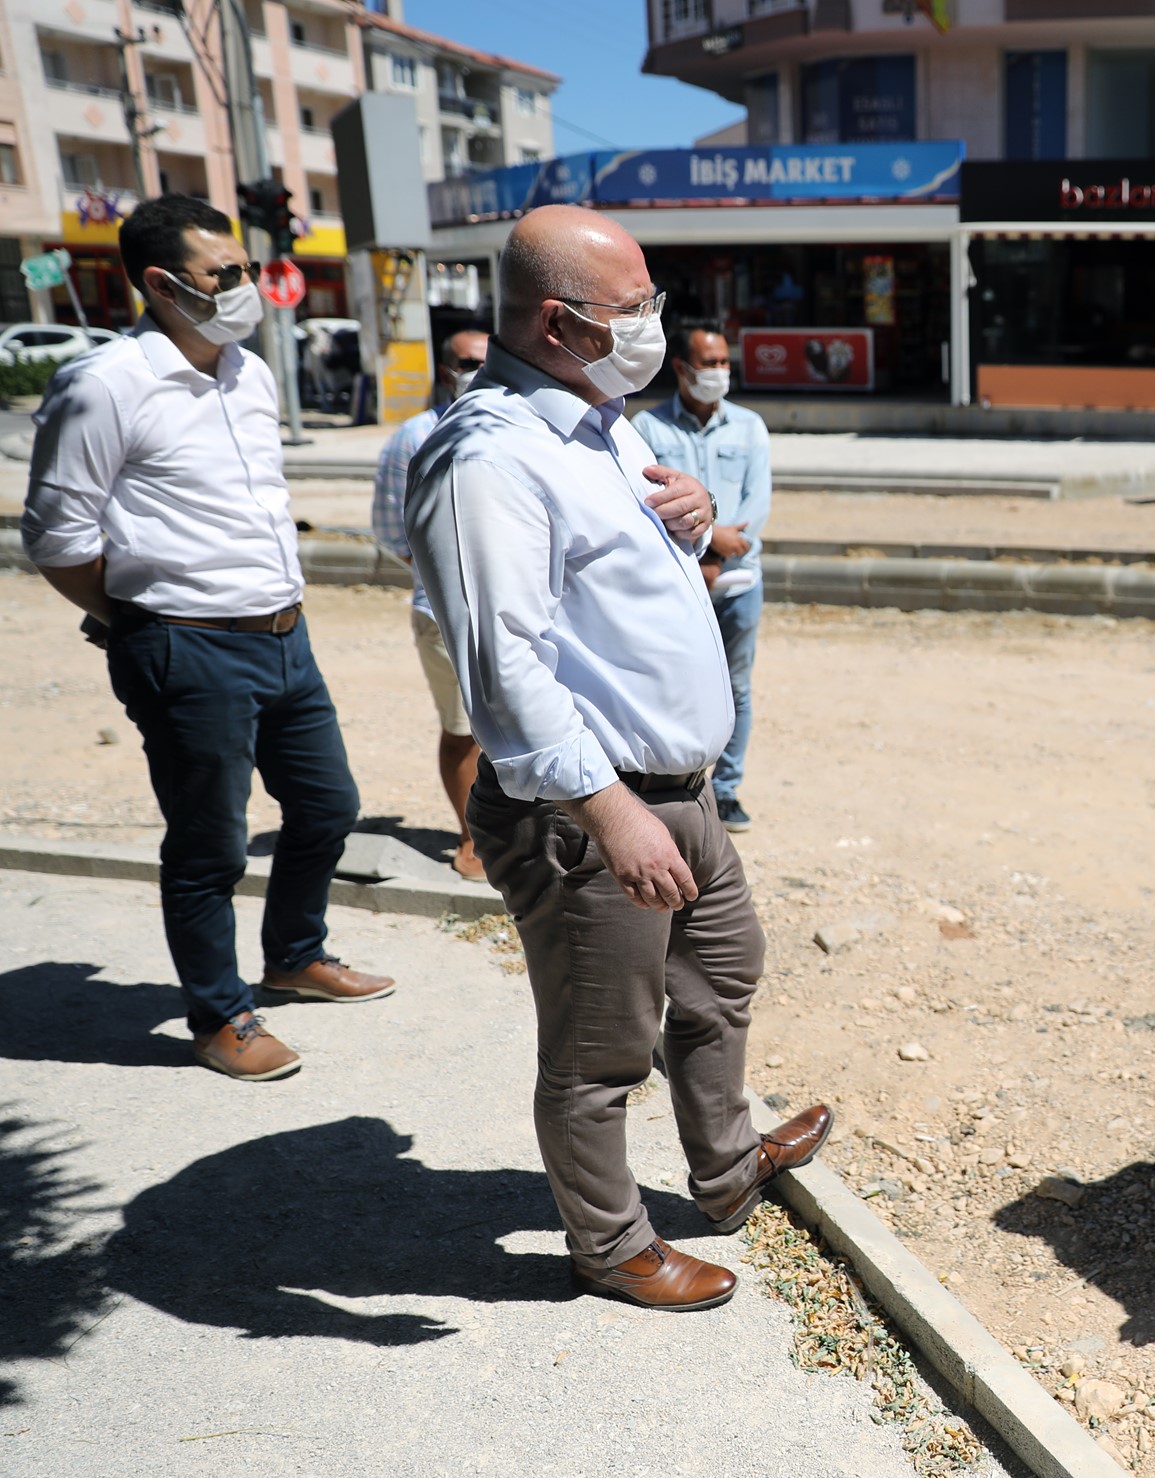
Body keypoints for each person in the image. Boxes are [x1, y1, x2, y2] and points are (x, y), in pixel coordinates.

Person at [406, 204, 830, 1312]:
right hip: (594, 805)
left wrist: (686, 512)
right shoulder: (489, 456)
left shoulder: (602, 419)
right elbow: (506, 670)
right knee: (601, 1049)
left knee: (722, 973)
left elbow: (622, 568)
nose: (654, 324)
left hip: (676, 787)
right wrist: (610, 813)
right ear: (560, 321)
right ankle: (611, 1245)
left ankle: (727, 1163)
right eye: (633, 308)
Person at [21, 194, 394, 1084]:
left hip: (283, 637)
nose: (246, 288)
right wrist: (138, 621)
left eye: (247, 270)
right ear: (159, 283)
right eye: (224, 275)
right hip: (185, 648)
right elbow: (56, 539)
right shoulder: (104, 384)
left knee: (327, 807)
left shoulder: (249, 372)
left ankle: (294, 955)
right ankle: (219, 1014)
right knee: (209, 848)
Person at [632, 320, 771, 834]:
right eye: (707, 363)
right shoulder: (647, 430)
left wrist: (720, 553)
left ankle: (726, 789)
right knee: (669, 683)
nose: (717, 373)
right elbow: (642, 503)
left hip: (738, 582)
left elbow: (757, 506)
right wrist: (707, 548)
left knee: (736, 687)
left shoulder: (750, 427)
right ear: (681, 368)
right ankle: (675, 786)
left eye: (723, 363)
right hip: (677, 582)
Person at [372, 322, 492, 879]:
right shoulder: (415, 437)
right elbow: (394, 535)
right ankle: (472, 839)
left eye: (487, 360)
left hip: (519, 611)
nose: (478, 372)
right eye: (468, 362)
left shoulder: (515, 426)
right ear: (447, 370)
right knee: (464, 728)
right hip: (446, 613)